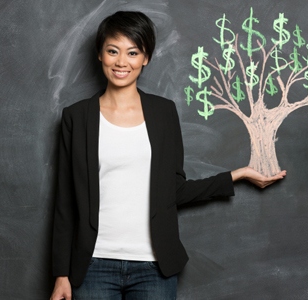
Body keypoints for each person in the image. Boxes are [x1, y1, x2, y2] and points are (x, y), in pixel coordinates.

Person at [50, 10, 286, 300]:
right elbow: (64, 202)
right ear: (100, 54)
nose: (121, 62)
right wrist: (61, 274)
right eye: (113, 51)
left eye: (133, 52)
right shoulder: (76, 117)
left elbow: (175, 190)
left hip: (154, 268)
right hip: (93, 266)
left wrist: (237, 175)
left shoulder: (163, 113)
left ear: (146, 57)